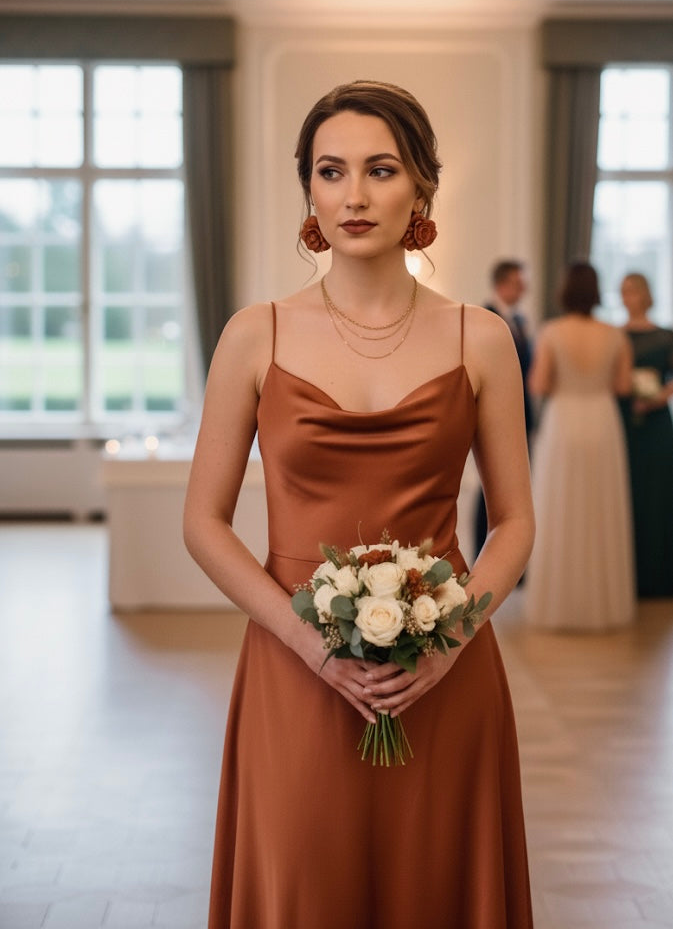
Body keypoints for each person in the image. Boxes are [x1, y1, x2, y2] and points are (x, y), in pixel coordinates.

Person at [183, 80, 535, 929]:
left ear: (420, 187)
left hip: (443, 672)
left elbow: (515, 523)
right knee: (305, 884)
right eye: (330, 171)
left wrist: (449, 645)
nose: (353, 195)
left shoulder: (481, 336)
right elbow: (202, 523)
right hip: (293, 666)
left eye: (380, 170)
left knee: (434, 882)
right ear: (307, 188)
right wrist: (311, 646)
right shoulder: (255, 332)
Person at [524, 261, 635, 631]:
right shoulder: (615, 335)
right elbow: (623, 386)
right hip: (602, 421)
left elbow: (539, 384)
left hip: (564, 423)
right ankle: (604, 606)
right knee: (601, 511)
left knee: (560, 509)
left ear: (565, 291)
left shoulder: (552, 332)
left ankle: (561, 606)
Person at [473, 259, 534, 558]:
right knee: (489, 488)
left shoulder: (520, 320)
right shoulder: (484, 318)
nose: (524, 289)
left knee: (513, 491)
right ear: (502, 284)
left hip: (521, 412)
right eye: (519, 283)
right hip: (492, 413)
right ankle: (483, 551)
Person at [619, 272, 673, 598]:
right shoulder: (615, 335)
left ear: (645, 294)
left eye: (633, 290)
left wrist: (659, 398)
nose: (628, 297)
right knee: (630, 494)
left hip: (657, 427)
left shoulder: (665, 335)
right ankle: (630, 576)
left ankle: (659, 576)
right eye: (623, 291)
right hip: (626, 422)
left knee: (658, 495)